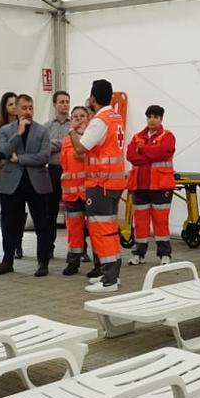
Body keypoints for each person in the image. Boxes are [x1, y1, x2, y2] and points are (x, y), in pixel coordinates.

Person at [70, 78, 126, 293]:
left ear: (92, 98)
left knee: (102, 230)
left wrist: (72, 131)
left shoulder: (100, 120)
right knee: (109, 227)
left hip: (100, 183)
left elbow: (80, 149)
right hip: (113, 182)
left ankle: (110, 279)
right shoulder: (116, 117)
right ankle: (110, 273)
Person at [0, 94, 54, 277]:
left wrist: (20, 159)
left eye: (30, 108)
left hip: (37, 183)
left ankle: (43, 262)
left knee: (41, 224)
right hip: (12, 184)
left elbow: (44, 156)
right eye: (24, 108)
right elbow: (3, 152)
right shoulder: (6, 130)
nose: (28, 111)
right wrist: (18, 133)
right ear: (16, 109)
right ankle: (7, 260)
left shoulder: (42, 130)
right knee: (11, 224)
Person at [126, 104, 176, 266]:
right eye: (150, 116)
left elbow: (160, 152)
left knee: (160, 221)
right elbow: (131, 156)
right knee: (140, 222)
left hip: (160, 185)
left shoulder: (168, 136)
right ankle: (138, 254)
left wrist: (143, 150)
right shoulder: (136, 137)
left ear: (161, 119)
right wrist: (149, 152)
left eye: (155, 117)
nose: (152, 120)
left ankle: (164, 254)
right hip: (140, 185)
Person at [60, 105, 92, 276]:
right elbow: (71, 159)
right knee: (73, 229)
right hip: (71, 192)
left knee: (94, 229)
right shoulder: (66, 140)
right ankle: (73, 261)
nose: (79, 118)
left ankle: (100, 262)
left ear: (88, 119)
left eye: (82, 115)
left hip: (90, 192)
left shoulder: (92, 138)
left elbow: (82, 156)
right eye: (75, 116)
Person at [0, 92, 22, 260]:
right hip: (4, 173)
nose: (13, 107)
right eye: (10, 104)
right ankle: (8, 247)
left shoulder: (25, 124)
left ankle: (18, 243)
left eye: (15, 104)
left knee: (19, 212)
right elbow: (0, 152)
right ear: (4, 107)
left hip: (22, 172)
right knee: (7, 212)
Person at [44, 90, 71, 261]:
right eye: (61, 102)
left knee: (75, 211)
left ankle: (79, 249)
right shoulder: (46, 126)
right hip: (53, 170)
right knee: (50, 211)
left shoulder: (75, 124)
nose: (64, 105)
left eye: (67, 101)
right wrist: (64, 143)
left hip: (71, 172)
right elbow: (44, 148)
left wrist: (56, 144)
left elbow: (76, 145)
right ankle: (48, 247)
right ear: (54, 104)